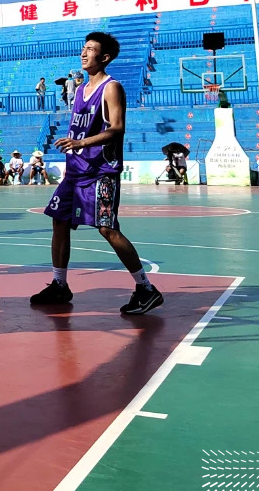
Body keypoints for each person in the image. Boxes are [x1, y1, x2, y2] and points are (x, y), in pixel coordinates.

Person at [31, 32, 163, 316]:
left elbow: (117, 128)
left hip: (101, 170)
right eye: (83, 48)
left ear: (104, 57)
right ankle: (59, 284)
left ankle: (146, 288)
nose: (83, 53)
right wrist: (76, 148)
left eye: (90, 49)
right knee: (59, 220)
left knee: (107, 228)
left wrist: (82, 143)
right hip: (76, 170)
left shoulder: (111, 88)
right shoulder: (80, 89)